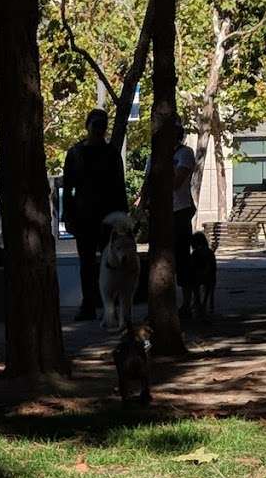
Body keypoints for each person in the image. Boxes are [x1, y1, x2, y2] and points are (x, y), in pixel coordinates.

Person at [62, 109, 126, 320]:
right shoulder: (75, 153)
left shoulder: (111, 154)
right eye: (95, 124)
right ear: (87, 125)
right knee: (86, 263)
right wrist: (68, 216)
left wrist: (122, 218)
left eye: (102, 125)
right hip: (84, 216)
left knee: (111, 263)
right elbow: (68, 188)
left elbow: (119, 187)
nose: (99, 129)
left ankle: (111, 304)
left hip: (107, 217)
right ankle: (88, 304)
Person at [140, 121, 197, 317]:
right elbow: (147, 181)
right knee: (158, 259)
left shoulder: (185, 153)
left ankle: (187, 304)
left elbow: (178, 181)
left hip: (179, 211)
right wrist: (142, 205)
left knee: (182, 258)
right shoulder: (153, 156)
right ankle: (160, 305)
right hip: (158, 213)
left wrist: (160, 179)